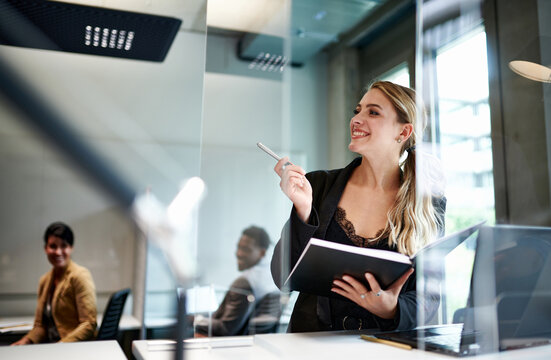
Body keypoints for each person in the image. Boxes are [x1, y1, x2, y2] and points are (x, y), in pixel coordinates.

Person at [271, 81, 446, 332]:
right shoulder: (318, 185)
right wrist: (303, 211)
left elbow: (429, 297)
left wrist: (392, 309)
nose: (356, 119)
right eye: (358, 110)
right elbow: (282, 277)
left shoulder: (427, 202)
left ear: (403, 132)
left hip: (384, 350)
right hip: (312, 348)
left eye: (372, 112)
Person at [12, 222, 97, 344]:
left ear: (71, 248)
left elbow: (89, 324)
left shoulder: (80, 276)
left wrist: (60, 346)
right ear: (45, 248)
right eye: (53, 246)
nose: (58, 252)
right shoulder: (45, 280)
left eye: (64, 246)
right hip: (52, 347)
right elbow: (40, 326)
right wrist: (25, 341)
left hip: (73, 348)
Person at [194, 226, 280, 337]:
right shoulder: (273, 276)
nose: (238, 253)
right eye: (238, 247)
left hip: (226, 345)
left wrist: (196, 320)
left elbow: (226, 329)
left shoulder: (244, 282)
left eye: (245, 249)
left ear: (262, 253)